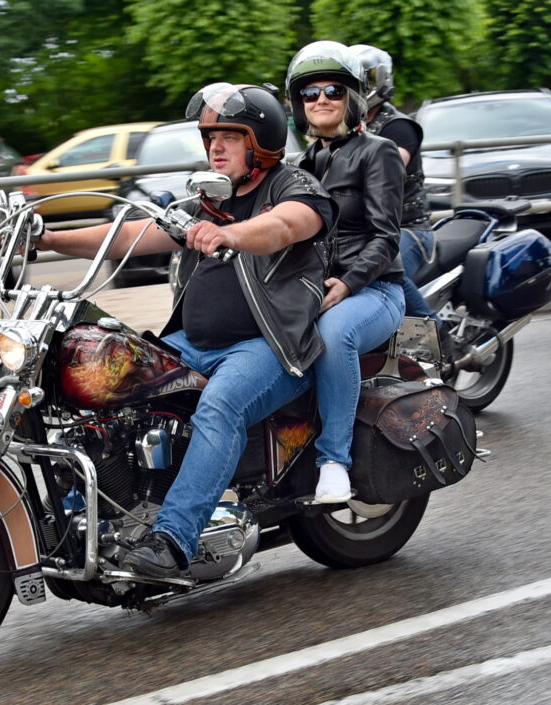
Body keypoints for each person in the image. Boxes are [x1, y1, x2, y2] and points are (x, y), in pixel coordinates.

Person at [37, 83, 336, 578]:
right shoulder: (208, 202)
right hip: (193, 345)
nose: (215, 147)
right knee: (105, 376)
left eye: (229, 137)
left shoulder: (295, 188)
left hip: (271, 347)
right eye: (210, 137)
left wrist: (228, 234)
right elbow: (128, 237)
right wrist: (48, 239)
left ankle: (173, 539)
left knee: (222, 405)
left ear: (260, 142)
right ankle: (85, 512)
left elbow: (284, 227)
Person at [286, 41, 407, 503]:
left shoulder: (378, 152)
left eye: (333, 91)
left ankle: (333, 460)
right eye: (310, 93)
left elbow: (386, 237)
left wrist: (348, 282)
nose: (321, 99)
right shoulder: (300, 166)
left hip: (375, 289)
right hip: (315, 289)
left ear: (352, 98)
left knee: (335, 334)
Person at [349, 44, 440, 324]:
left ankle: (435, 332)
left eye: (362, 80)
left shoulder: (398, 127)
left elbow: (385, 174)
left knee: (380, 266)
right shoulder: (345, 130)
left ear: (380, 79)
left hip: (408, 228)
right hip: (365, 230)